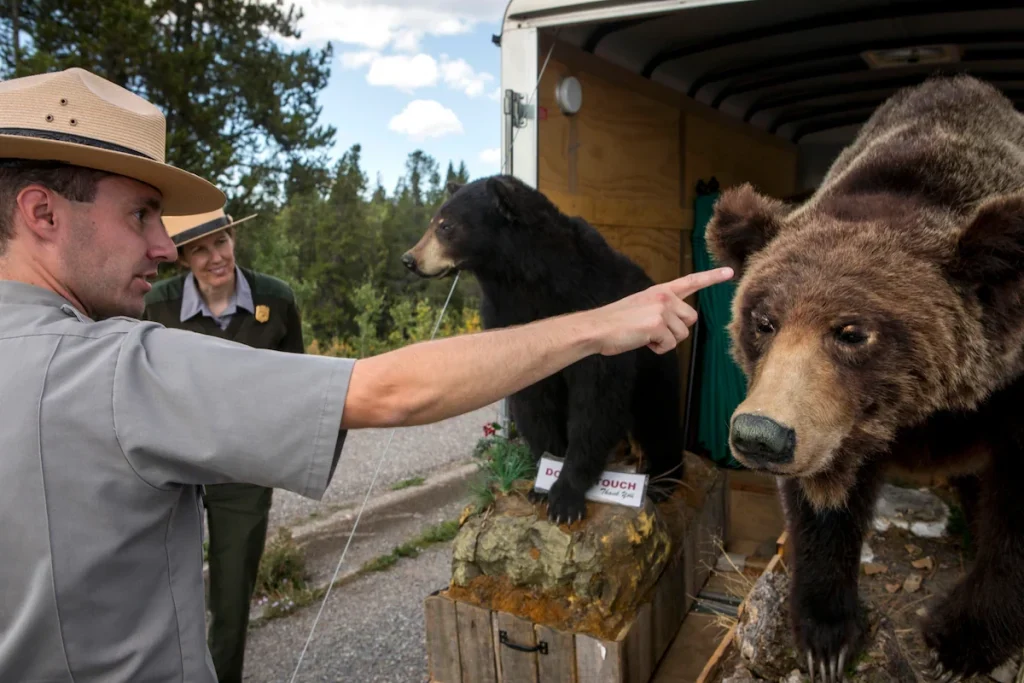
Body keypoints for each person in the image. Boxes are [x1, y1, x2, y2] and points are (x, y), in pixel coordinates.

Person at [0, 67, 733, 682]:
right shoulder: (117, 368)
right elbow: (384, 388)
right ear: (42, 213)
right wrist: (602, 324)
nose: (167, 247)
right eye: (142, 215)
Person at [141, 208, 304, 683]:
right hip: (173, 469)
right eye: (199, 249)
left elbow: (296, 380)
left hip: (245, 471)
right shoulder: (157, 305)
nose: (216, 257)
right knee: (165, 591)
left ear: (233, 237)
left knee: (231, 598)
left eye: (222, 241)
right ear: (182, 260)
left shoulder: (276, 298)